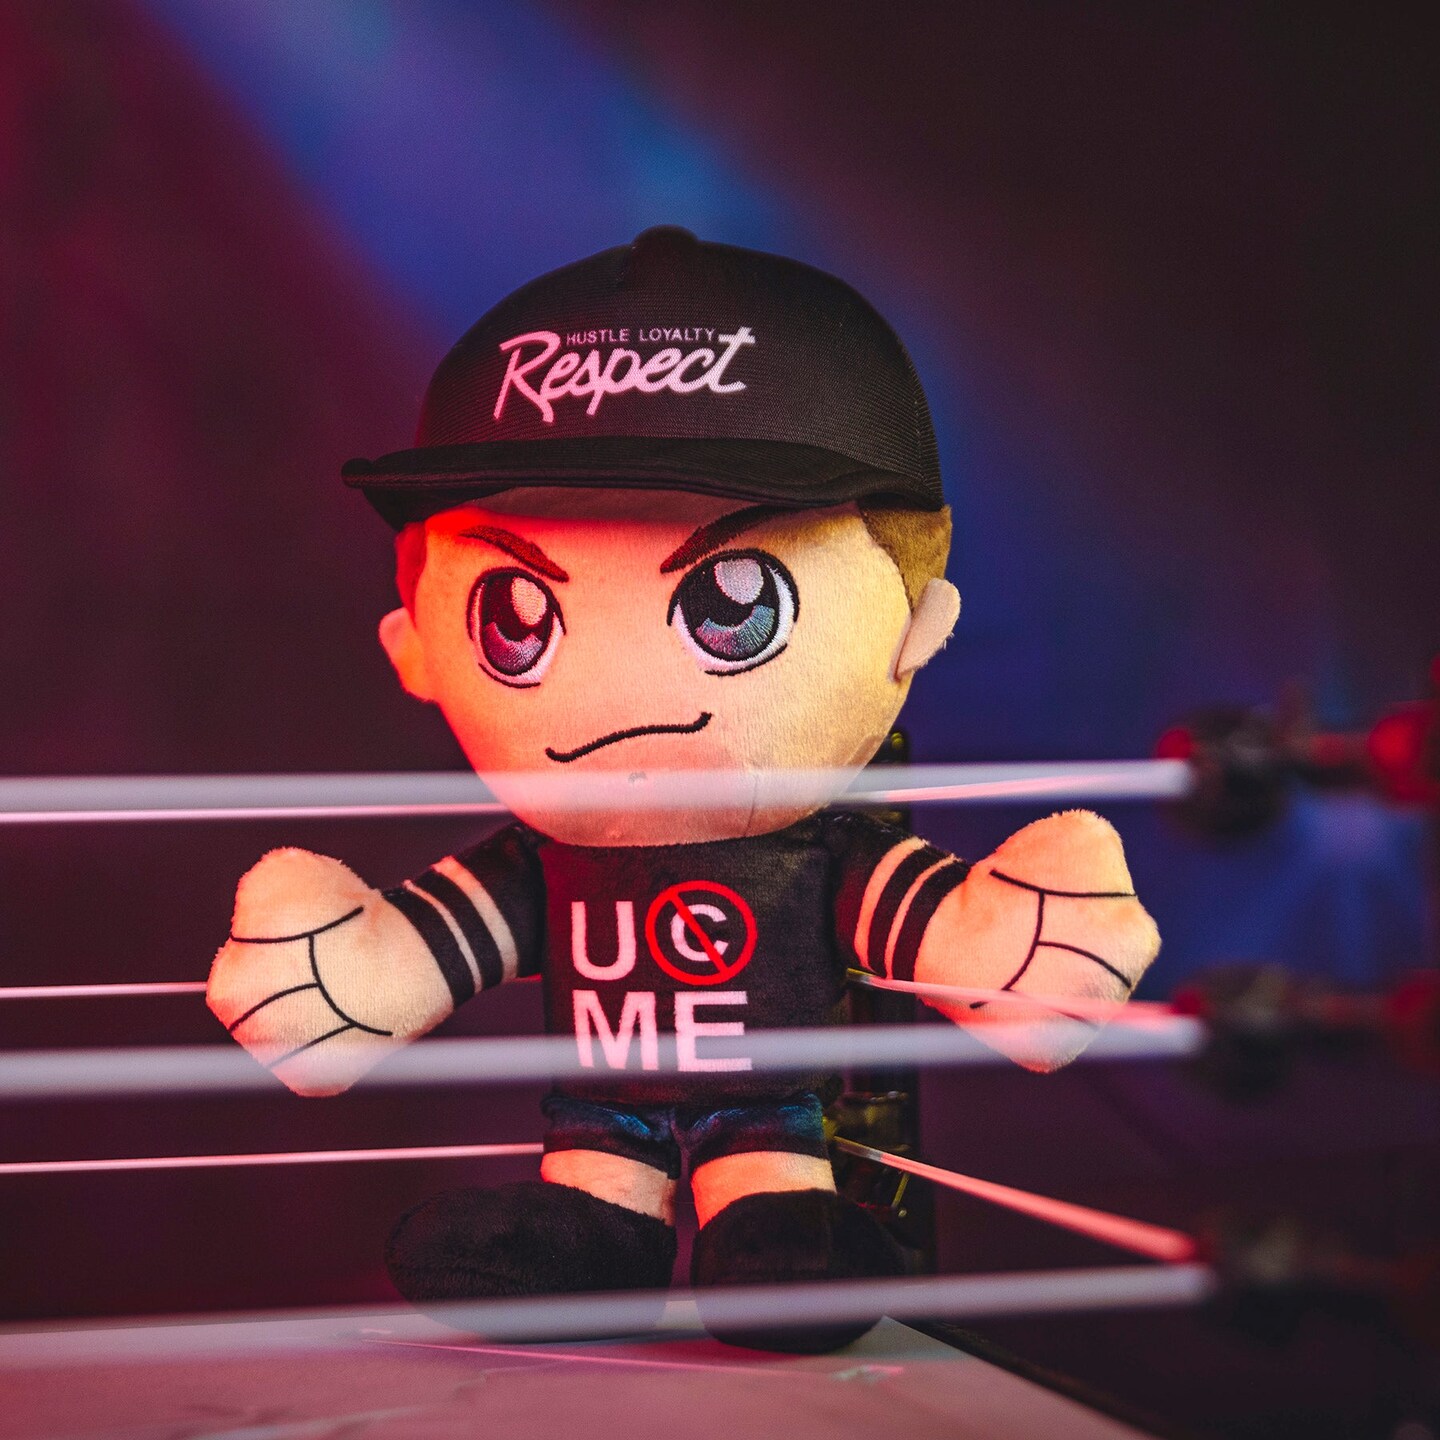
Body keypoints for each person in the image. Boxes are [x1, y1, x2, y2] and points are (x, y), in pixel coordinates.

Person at [208, 228, 1159, 1351]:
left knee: (779, 1233)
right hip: (591, 1132)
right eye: (515, 619)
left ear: (914, 624)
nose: (620, 697)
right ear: (416, 642)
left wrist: (1025, 944)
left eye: (733, 604)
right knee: (589, 1206)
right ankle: (596, 1234)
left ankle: (766, 1228)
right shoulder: (544, 863)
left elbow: (931, 923)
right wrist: (342, 976)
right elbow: (432, 944)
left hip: (771, 1126)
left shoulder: (812, 859)